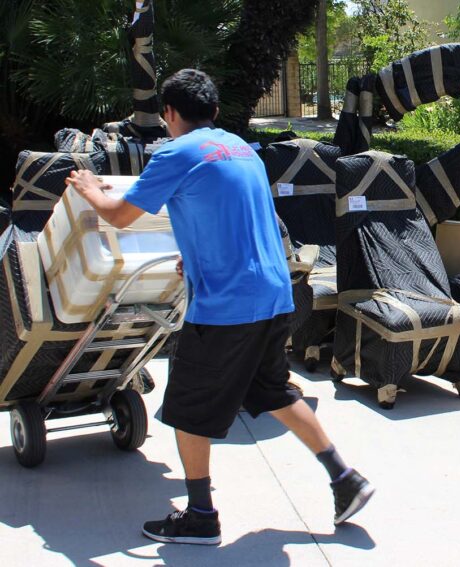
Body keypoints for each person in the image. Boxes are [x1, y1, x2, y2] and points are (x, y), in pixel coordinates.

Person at [66, 69, 374, 545]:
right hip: (275, 295)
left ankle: (200, 517)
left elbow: (120, 215)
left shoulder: (175, 152)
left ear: (169, 113)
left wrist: (89, 189)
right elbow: (218, 210)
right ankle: (344, 477)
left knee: (187, 410)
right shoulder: (242, 151)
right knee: (272, 391)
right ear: (212, 111)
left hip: (227, 307)